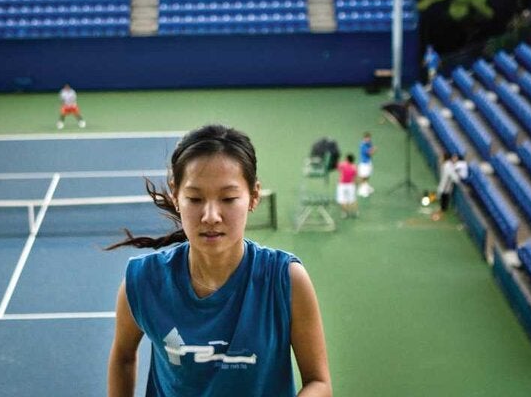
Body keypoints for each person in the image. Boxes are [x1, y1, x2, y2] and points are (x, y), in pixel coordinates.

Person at [105, 125, 331, 397]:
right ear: (176, 195)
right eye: (195, 198)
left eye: (228, 198)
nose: (211, 216)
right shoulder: (142, 282)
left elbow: (319, 382)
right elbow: (123, 357)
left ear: (254, 196)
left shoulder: (286, 280)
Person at [432, 154, 469, 221]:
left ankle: (442, 211)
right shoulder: (448, 165)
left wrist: (457, 176)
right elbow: (454, 177)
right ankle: (441, 210)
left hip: (446, 187)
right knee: (443, 196)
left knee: (444, 197)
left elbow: (454, 175)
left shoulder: (448, 165)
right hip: (444, 186)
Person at [336, 154, 358, 218]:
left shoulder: (342, 165)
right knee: (352, 200)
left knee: (342, 200)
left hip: (342, 185)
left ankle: (345, 213)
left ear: (347, 159)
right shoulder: (354, 167)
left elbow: (337, 166)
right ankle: (355, 212)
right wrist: (356, 185)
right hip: (351, 185)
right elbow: (356, 177)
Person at [356, 132, 375, 198]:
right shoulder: (362, 145)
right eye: (367, 138)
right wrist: (373, 150)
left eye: (369, 138)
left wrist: (372, 150)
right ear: (364, 138)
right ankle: (361, 190)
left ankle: (366, 187)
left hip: (368, 162)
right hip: (363, 164)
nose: (368, 140)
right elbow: (370, 153)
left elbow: (371, 151)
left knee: (368, 176)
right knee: (363, 177)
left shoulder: (369, 143)